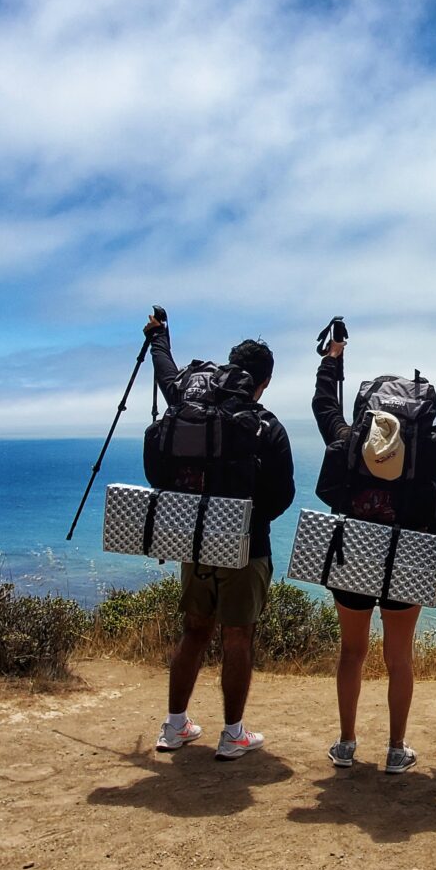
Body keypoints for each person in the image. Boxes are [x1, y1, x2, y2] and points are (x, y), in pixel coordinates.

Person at [145, 311, 295, 761]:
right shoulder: (267, 426)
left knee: (194, 631)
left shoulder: (188, 406)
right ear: (264, 381)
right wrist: (248, 521)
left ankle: (175, 727)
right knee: (237, 637)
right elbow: (282, 494)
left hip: (192, 539)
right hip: (247, 547)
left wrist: (160, 336)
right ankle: (233, 735)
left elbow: (167, 375)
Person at [311, 339, 436, 774]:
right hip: (405, 556)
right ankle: (395, 748)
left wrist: (332, 362)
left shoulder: (350, 439)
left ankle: (347, 743)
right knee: (399, 657)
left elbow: (322, 405)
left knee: (352, 652)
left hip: (353, 555)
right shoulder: (426, 448)